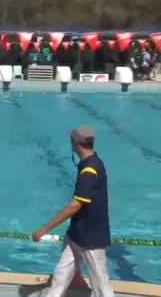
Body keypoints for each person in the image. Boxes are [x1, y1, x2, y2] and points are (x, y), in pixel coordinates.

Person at [31, 125, 113, 297]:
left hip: (90, 237)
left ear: (75, 143)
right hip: (76, 234)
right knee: (60, 278)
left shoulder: (89, 170)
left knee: (101, 286)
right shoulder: (93, 162)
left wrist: (44, 229)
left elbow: (75, 205)